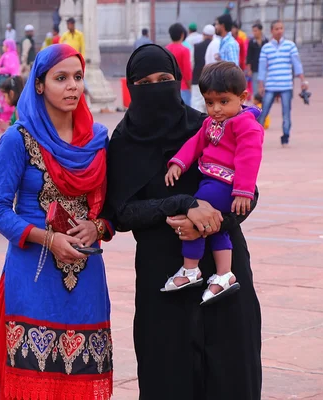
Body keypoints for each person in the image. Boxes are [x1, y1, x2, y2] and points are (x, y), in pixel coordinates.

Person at [105, 43, 262, 399]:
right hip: (162, 278)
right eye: (144, 83)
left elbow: (249, 191)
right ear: (130, 88)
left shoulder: (208, 126)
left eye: (164, 79)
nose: (156, 88)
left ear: (178, 80)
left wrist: (210, 222)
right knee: (168, 374)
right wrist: (181, 204)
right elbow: (123, 213)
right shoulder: (124, 142)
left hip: (223, 268)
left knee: (231, 371)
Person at [0, 44, 114, 399]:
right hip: (34, 268)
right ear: (40, 84)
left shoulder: (98, 141)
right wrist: (47, 238)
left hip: (86, 271)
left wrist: (98, 227)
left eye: (77, 77)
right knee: (33, 377)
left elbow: (110, 209)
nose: (72, 86)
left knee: (84, 373)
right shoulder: (18, 139)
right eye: (61, 78)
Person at [163, 61, 263, 306]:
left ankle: (191, 269)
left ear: (242, 97)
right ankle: (224, 275)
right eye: (209, 102)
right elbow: (195, 144)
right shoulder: (211, 124)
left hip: (225, 184)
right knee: (217, 227)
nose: (216, 109)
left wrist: (243, 191)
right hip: (212, 179)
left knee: (198, 215)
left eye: (223, 101)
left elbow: (249, 157)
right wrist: (179, 163)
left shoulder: (245, 124)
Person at [257, 20, 307, 146]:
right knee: (263, 112)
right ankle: (256, 136)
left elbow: (297, 64)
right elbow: (262, 68)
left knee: (286, 112)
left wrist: (302, 80)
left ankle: (285, 136)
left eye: (281, 28)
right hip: (271, 84)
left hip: (286, 85)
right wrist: (261, 85)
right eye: (277, 29)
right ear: (271, 31)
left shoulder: (290, 46)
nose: (279, 31)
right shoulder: (266, 48)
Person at [0, 39, 21, 129]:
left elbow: (9, 69)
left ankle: (4, 124)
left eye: (4, 45)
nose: (3, 47)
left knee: (5, 104)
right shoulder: (15, 55)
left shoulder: (8, 56)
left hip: (6, 83)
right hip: (11, 83)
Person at [190, 25, 215, 112]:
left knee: (197, 104)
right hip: (212, 80)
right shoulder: (215, 45)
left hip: (197, 78)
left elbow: (192, 63)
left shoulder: (196, 47)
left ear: (203, 34)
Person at [166, 23, 192, 106]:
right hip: (182, 86)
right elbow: (187, 71)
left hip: (169, 86)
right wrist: (190, 86)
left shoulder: (166, 49)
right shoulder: (185, 50)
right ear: (182, 34)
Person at [246, 23, 268, 96]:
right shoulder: (251, 42)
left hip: (265, 69)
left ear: (260, 31)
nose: (254, 33)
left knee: (265, 88)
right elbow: (249, 56)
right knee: (255, 89)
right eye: (253, 31)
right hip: (255, 68)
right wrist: (249, 69)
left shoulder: (266, 41)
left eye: (256, 31)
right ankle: (257, 105)